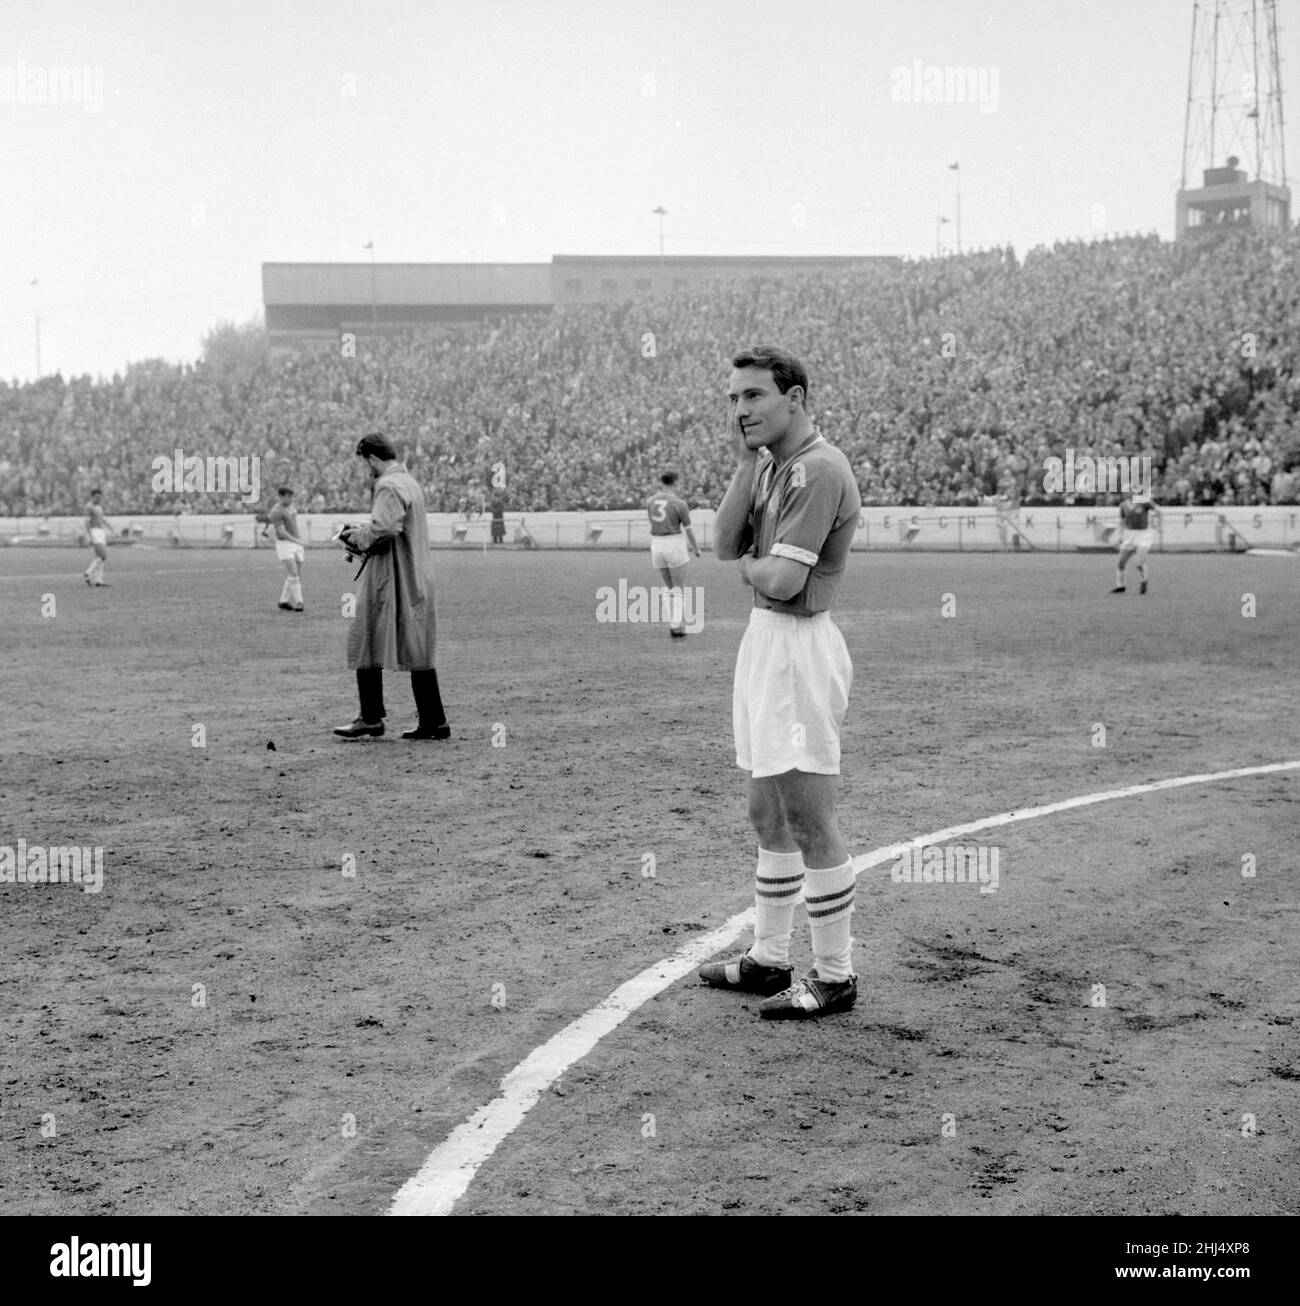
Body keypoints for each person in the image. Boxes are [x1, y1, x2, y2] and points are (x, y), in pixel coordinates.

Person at [698, 346, 862, 1020]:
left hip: (799, 646)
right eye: (734, 398)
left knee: (808, 817)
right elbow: (723, 543)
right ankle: (770, 958)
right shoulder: (771, 467)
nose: (740, 410)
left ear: (794, 398)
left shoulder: (819, 469)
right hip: (767, 643)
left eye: (754, 396)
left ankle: (835, 976)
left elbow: (784, 580)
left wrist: (755, 567)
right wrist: (744, 464)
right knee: (765, 814)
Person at [333, 433, 452, 741]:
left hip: (390, 576)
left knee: (364, 636)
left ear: (372, 458)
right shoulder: (409, 482)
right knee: (418, 646)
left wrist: (355, 536)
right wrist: (366, 531)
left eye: (364, 464)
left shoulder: (387, 484)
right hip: (417, 574)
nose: (365, 470)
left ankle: (371, 718)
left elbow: (385, 528)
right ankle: (433, 721)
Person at [645, 471, 702, 637]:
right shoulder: (679, 503)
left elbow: (653, 522)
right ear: (675, 482)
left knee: (670, 587)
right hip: (674, 542)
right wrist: (696, 548)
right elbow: (689, 530)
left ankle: (673, 621)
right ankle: (676, 625)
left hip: (656, 544)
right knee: (678, 588)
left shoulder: (650, 501)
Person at [1111, 492, 1159, 594]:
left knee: (1139, 562)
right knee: (1121, 562)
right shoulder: (1123, 505)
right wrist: (1120, 537)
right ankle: (1121, 586)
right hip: (1130, 535)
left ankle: (1144, 581)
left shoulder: (1144, 501)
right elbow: (1122, 521)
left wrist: (1157, 522)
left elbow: (1157, 510)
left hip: (1143, 534)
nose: (1125, 494)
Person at [268, 486, 305, 611]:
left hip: (296, 543)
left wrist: (299, 540)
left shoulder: (292, 506)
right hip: (284, 544)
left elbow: (294, 524)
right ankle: (300, 602)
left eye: (291, 496)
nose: (290, 499)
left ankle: (283, 601)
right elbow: (282, 532)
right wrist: (296, 540)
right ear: (281, 496)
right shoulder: (275, 512)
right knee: (293, 572)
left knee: (295, 574)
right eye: (288, 496)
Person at [82, 489, 112, 586]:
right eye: (97, 497)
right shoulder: (88, 507)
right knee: (103, 556)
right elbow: (86, 522)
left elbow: (102, 519)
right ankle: (88, 572)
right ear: (92, 496)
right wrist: (90, 535)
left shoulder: (99, 506)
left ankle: (99, 581)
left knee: (99, 557)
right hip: (94, 531)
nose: (98, 499)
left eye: (100, 497)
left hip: (101, 532)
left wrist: (111, 528)